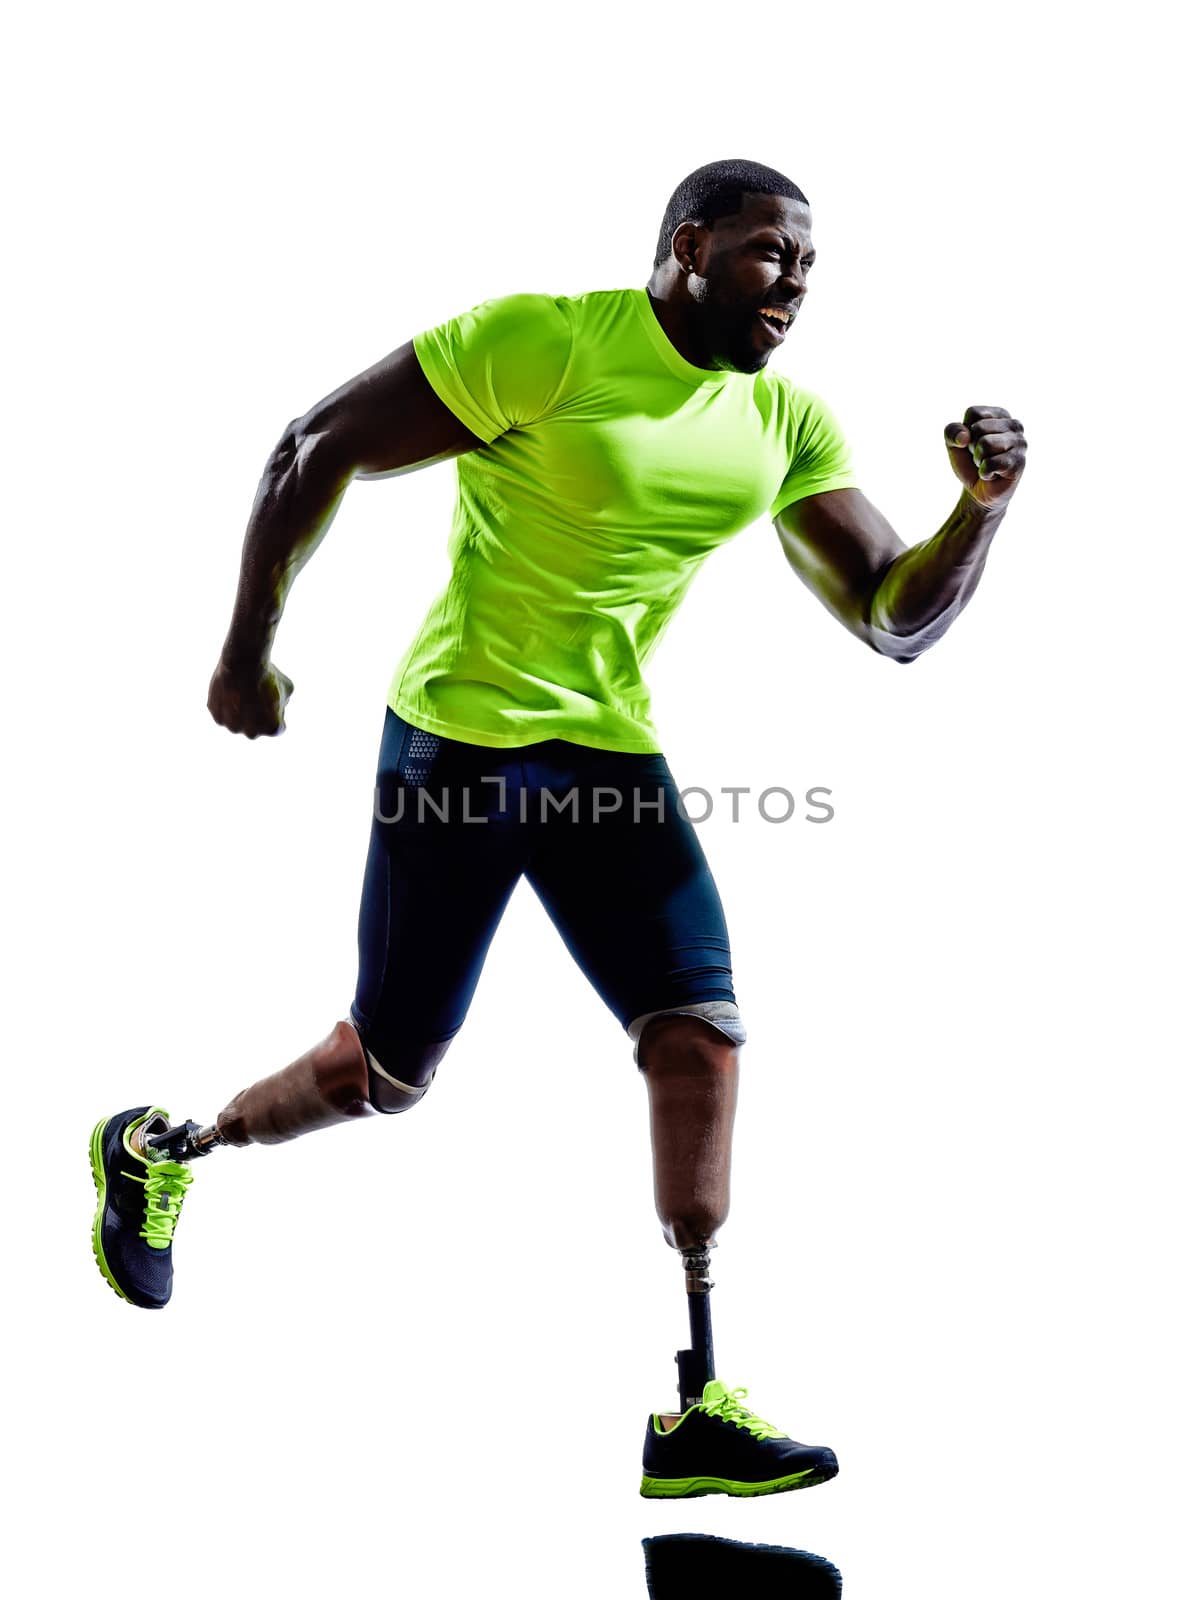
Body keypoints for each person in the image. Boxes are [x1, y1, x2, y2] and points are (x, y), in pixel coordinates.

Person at [89, 158, 1027, 1499]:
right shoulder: (545, 341)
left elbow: (895, 619)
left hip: (606, 759)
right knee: (383, 1076)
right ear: (691, 246)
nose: (797, 285)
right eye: (772, 254)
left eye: (811, 266)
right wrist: (246, 655)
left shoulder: (786, 425)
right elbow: (316, 445)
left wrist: (979, 512)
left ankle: (697, 1409)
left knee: (699, 1034)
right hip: (457, 747)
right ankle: (160, 1148)